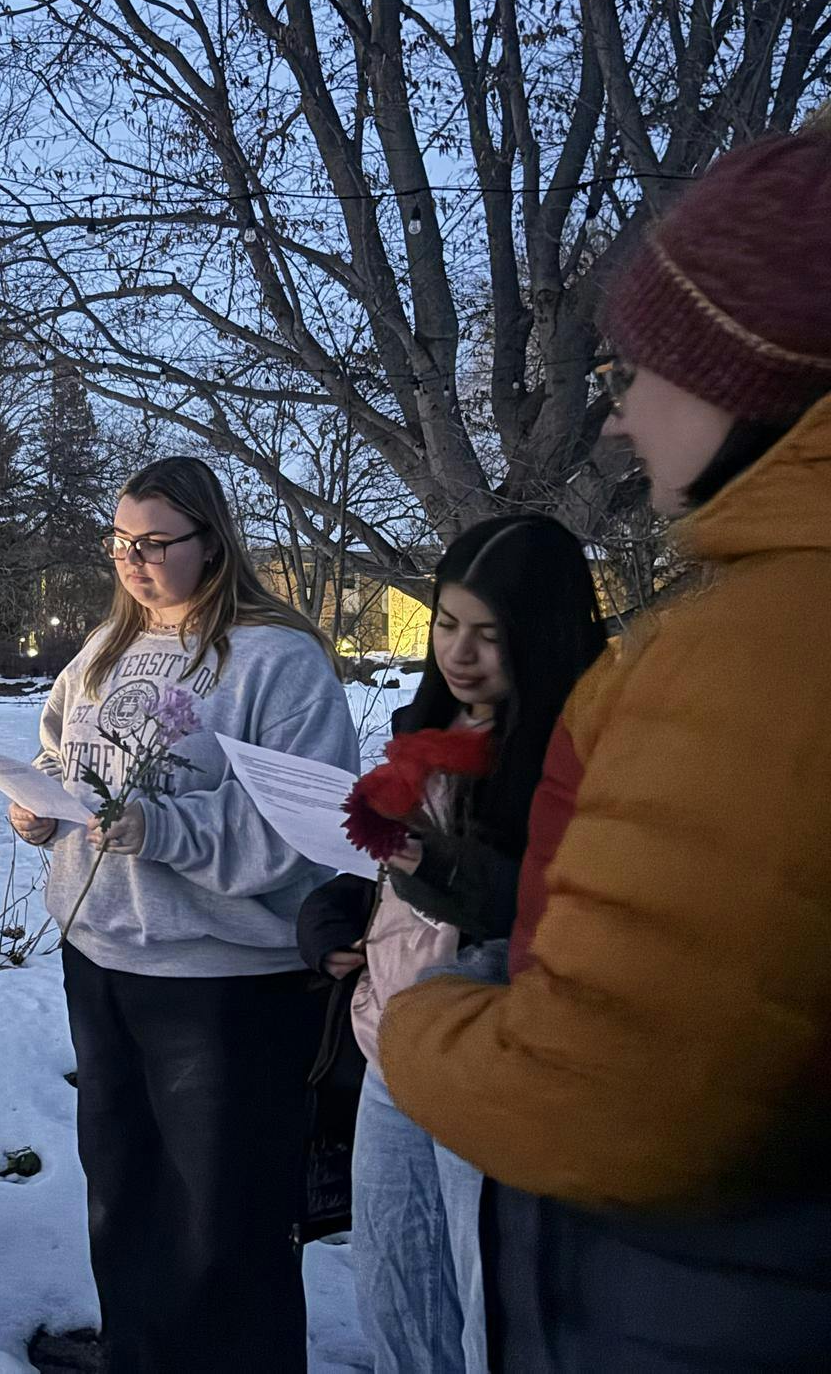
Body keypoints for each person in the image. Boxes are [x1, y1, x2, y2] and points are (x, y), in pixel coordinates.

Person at [382, 126, 831, 1370]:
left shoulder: (761, 648)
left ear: (750, 379)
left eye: (643, 372)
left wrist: (424, 1022)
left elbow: (615, 1101)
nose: (623, 421)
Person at [9, 456, 360, 1373]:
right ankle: (140, 1354)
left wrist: (161, 829)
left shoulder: (277, 661)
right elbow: (62, 759)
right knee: (123, 1199)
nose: (133, 559)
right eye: (121, 541)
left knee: (225, 1222)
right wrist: (42, 808)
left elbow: (305, 827)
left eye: (156, 542)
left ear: (213, 540)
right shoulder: (102, 651)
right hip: (102, 959)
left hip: (224, 982)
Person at [297, 516, 605, 1374]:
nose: (460, 654)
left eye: (490, 634)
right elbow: (380, 883)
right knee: (394, 1291)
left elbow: (556, 904)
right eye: (446, 624)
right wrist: (331, 924)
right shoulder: (423, 729)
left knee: (489, 1313)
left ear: (540, 635)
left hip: (496, 1055)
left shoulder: (581, 747)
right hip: (392, 1040)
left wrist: (432, 865)